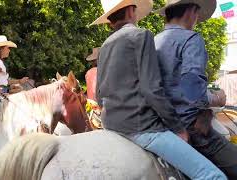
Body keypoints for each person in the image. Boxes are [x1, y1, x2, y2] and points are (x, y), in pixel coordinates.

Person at [93, 0, 226, 179]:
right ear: (132, 11)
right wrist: (178, 128)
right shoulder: (141, 35)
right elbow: (151, 89)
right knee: (213, 175)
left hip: (111, 125)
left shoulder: (105, 47)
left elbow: (99, 96)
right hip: (141, 127)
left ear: (110, 20)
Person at [154, 0, 237, 178]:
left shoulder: (153, 41)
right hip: (189, 125)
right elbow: (192, 89)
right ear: (191, 11)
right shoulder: (191, 39)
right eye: (197, 14)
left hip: (159, 124)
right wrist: (217, 98)